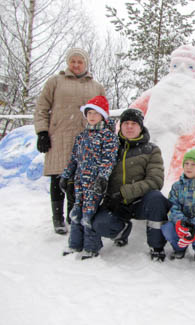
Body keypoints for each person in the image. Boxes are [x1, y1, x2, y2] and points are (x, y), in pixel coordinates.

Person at [34, 48, 105, 235]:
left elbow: (103, 114)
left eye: (79, 62)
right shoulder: (55, 82)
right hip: (59, 136)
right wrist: (42, 132)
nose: (76, 65)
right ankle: (57, 219)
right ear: (68, 62)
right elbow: (41, 107)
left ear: (86, 64)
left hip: (85, 139)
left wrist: (103, 137)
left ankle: (71, 216)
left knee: (78, 179)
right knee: (58, 177)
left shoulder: (96, 86)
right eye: (72, 61)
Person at [92, 108, 171, 262]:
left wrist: (124, 193)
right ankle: (122, 230)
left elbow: (155, 180)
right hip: (114, 203)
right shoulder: (110, 147)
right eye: (126, 123)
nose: (129, 127)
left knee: (157, 199)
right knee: (100, 224)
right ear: (120, 126)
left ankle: (156, 246)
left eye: (133, 123)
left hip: (140, 202)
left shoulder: (151, 150)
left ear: (140, 127)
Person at [60, 96, 119, 259]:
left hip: (95, 183)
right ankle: (75, 244)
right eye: (89, 113)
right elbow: (73, 159)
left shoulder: (108, 137)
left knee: (89, 214)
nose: (92, 116)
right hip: (80, 182)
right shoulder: (82, 136)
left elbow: (109, 159)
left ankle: (91, 247)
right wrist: (66, 176)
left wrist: (102, 177)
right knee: (76, 212)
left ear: (103, 116)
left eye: (96, 113)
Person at [161, 149, 195, 261]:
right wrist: (182, 223)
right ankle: (179, 248)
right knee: (167, 228)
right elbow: (172, 207)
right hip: (181, 224)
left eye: (193, 164)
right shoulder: (177, 186)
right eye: (186, 163)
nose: (188, 167)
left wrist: (194, 225)